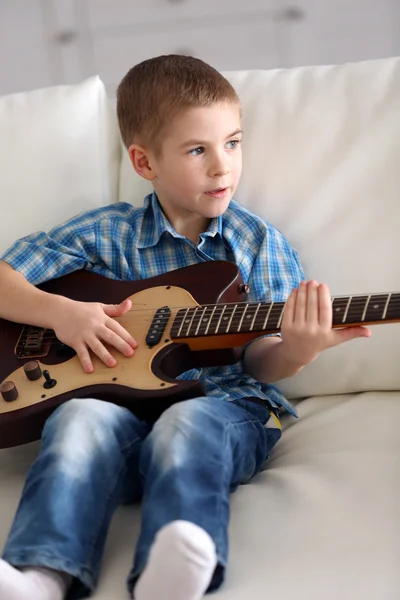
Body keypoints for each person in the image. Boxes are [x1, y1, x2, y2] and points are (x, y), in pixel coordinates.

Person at [0, 55, 371, 600]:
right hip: (119, 418)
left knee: (187, 424)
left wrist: (294, 350)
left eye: (233, 143)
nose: (222, 167)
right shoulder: (106, 232)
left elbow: (261, 360)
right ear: (144, 161)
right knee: (77, 418)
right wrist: (63, 312)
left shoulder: (255, 244)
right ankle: (41, 575)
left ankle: (176, 563)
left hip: (223, 409)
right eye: (198, 150)